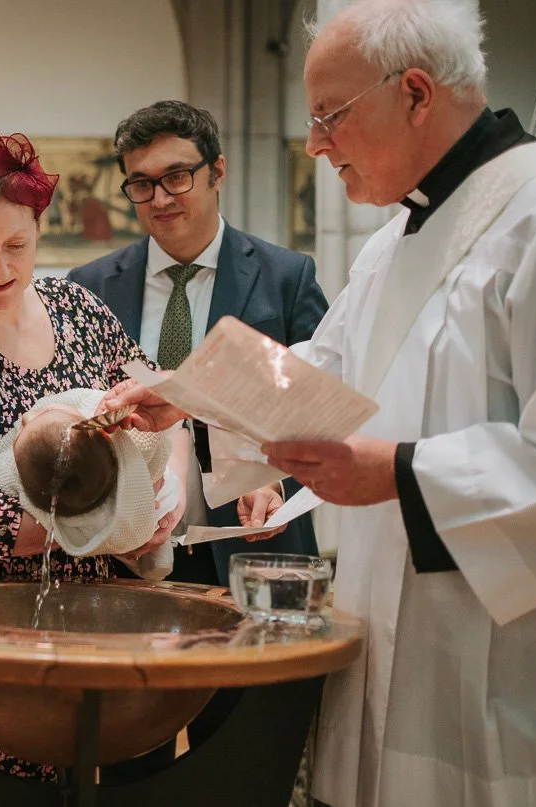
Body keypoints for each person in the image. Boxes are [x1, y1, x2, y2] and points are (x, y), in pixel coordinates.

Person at [101, 1, 536, 804]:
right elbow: (317, 376)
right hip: (391, 654)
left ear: (415, 93)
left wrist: (402, 474)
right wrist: (186, 397)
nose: (313, 143)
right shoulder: (393, 243)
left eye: (329, 115)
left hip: (514, 685)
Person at [0, 127, 285, 783]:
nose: (1, 268)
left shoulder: (76, 309)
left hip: (86, 627)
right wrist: (112, 533)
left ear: (40, 225)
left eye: (16, 244)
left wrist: (168, 494)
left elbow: (160, 405)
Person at [69, 100, 328, 588]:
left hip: (255, 538)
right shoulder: (90, 287)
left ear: (218, 172)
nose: (161, 198)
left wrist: (270, 475)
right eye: (142, 184)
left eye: (178, 176)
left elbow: (319, 401)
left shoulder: (286, 278)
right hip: (124, 554)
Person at [0, 388, 179, 580]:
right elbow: (157, 437)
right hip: (140, 512)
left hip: (98, 563)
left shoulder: (10, 476)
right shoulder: (124, 445)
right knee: (159, 498)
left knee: (163, 495)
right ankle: (156, 558)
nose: (26, 416)